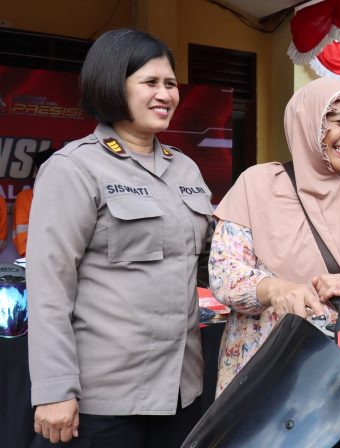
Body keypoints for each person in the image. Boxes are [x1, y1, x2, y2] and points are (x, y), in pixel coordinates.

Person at [26, 29, 213, 446]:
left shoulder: (186, 169)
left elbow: (212, 262)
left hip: (181, 391)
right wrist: (55, 389)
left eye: (170, 84)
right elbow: (50, 287)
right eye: (150, 82)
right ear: (113, 85)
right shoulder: (74, 168)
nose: (165, 94)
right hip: (104, 398)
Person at [209, 77, 340, 394]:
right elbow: (223, 272)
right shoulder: (258, 185)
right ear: (308, 123)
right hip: (266, 369)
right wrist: (273, 288)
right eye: (339, 122)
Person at [13, 148, 56, 257]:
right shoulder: (25, 198)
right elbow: (23, 244)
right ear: (37, 172)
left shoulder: (71, 195)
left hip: (68, 261)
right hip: (33, 260)